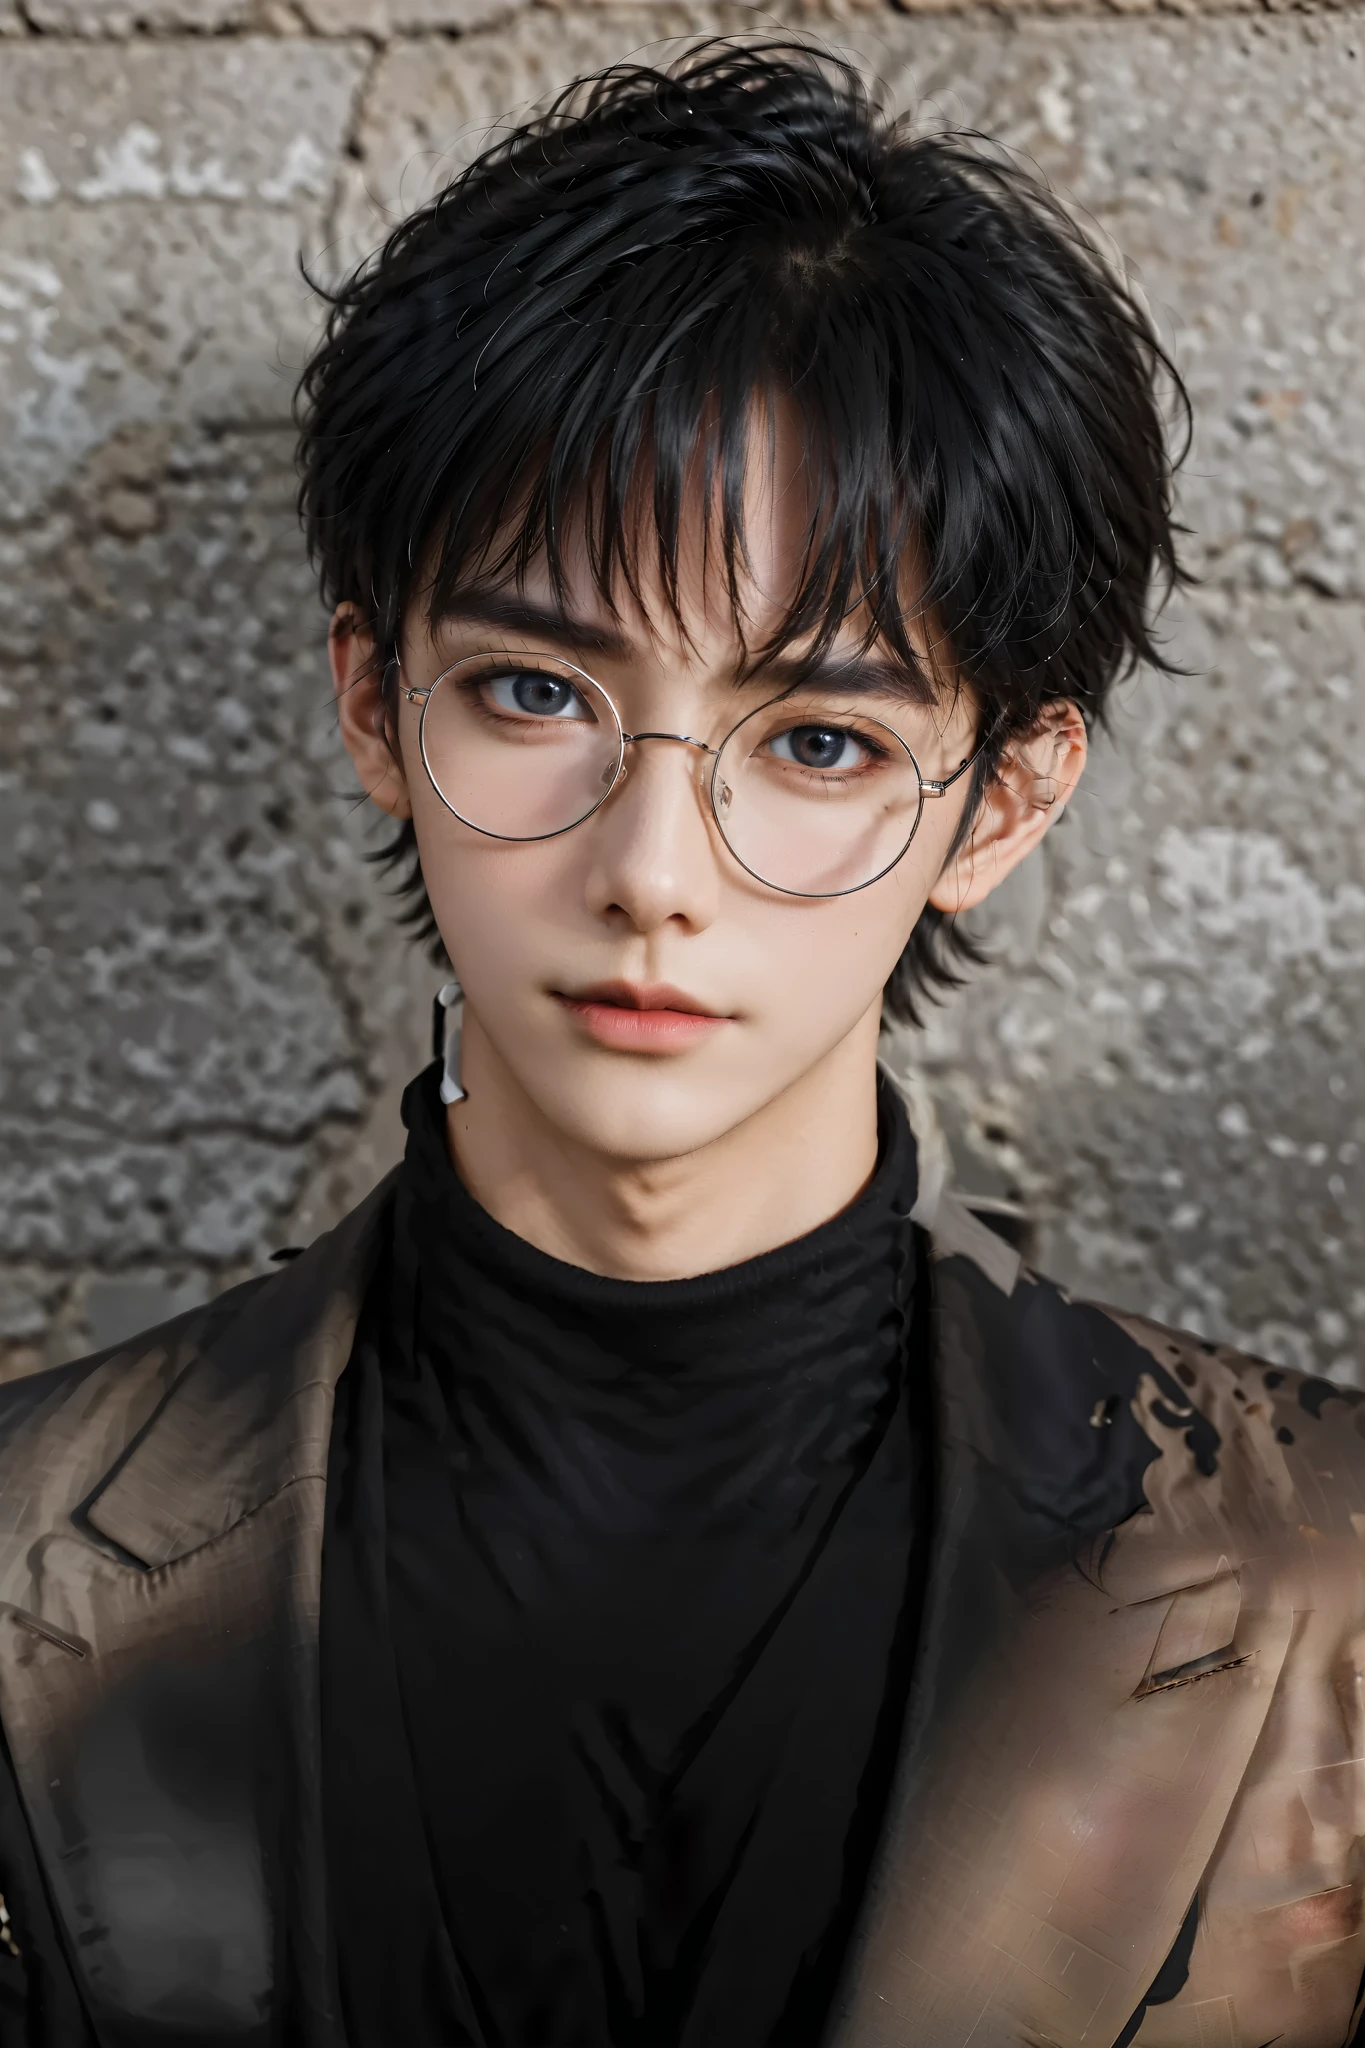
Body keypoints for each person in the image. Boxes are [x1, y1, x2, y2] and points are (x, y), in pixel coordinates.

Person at [1, 37, 1362, 2048]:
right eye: (536, 690)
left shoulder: (1324, 1585)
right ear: (378, 704)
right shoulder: (27, 1559)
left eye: (816, 741)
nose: (653, 868)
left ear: (998, 801)